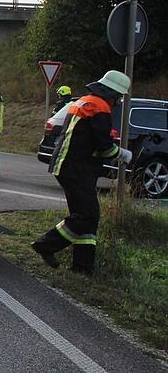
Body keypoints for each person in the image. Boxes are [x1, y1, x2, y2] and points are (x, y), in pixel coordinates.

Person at [31, 71, 132, 275]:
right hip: (77, 169)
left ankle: (83, 267)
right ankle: (45, 245)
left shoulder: (84, 101)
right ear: (111, 93)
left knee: (87, 216)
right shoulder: (100, 107)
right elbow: (104, 146)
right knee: (86, 215)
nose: (118, 101)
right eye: (119, 97)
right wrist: (122, 154)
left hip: (70, 166)